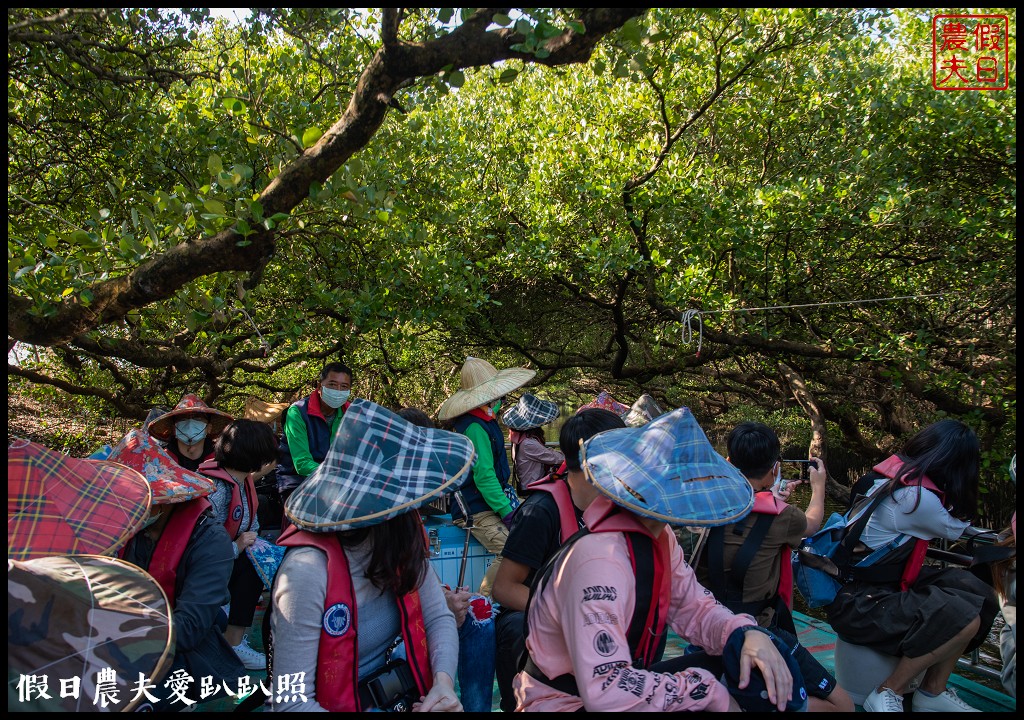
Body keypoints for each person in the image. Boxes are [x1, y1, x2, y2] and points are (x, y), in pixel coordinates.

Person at [514, 406, 807, 712]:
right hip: (564, 702)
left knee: (756, 677)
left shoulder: (659, 536)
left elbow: (692, 605)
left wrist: (743, 632)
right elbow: (605, 689)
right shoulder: (599, 559)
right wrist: (701, 689)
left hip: (616, 681)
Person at [271, 399, 468, 711]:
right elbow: (290, 703)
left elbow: (437, 617)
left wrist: (443, 684)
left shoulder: (400, 539)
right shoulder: (306, 571)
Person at [825, 419, 1000, 713]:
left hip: (861, 590)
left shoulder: (883, 478)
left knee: (975, 591)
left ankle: (932, 692)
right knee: (964, 617)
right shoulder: (916, 498)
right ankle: (888, 689)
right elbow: (957, 528)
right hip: (862, 603)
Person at [703, 421, 852, 712]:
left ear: (730, 462)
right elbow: (811, 524)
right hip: (760, 629)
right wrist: (818, 487)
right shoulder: (783, 518)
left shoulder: (706, 504)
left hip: (710, 624)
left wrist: (772, 498)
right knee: (843, 705)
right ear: (775, 468)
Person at [492, 408, 626, 713]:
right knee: (514, 626)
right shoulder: (541, 511)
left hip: (590, 617)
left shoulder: (614, 508)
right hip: (538, 621)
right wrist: (567, 613)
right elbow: (504, 588)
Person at [109, 429, 244, 711]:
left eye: (137, 501)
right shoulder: (126, 529)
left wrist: (113, 634)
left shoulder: (209, 541)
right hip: (122, 634)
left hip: (178, 650)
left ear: (166, 500)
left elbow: (189, 628)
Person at [398, 405, 497, 713]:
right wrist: (440, 605)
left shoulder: (410, 513)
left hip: (414, 611)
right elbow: (392, 587)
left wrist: (443, 598)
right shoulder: (383, 515)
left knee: (479, 620)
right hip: (391, 632)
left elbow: (417, 575)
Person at [437, 356, 536, 597]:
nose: (501, 401)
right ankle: (486, 600)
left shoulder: (484, 422)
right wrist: (507, 512)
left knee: (532, 532)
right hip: (475, 510)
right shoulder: (475, 428)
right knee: (513, 548)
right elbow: (484, 477)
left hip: (487, 504)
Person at [196, 418, 279, 671]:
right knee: (253, 563)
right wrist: (238, 547)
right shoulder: (217, 490)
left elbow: (250, 527)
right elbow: (199, 548)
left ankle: (233, 633)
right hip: (204, 571)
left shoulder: (242, 482)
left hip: (226, 561)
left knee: (260, 555)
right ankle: (233, 644)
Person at [276, 361, 353, 509]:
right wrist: (336, 476)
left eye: (344, 387)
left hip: (337, 480)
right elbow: (302, 464)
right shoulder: (297, 412)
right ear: (319, 387)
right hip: (297, 480)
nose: (338, 390)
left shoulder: (351, 413)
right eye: (332, 384)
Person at [148, 393, 233, 472]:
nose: (190, 424)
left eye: (197, 418)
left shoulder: (223, 461)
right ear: (174, 429)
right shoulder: (159, 461)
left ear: (209, 428)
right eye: (183, 418)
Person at [502, 392, 565, 494]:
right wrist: (572, 457)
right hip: (531, 488)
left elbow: (544, 453)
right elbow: (554, 458)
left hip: (527, 484)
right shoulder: (528, 443)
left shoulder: (519, 438)